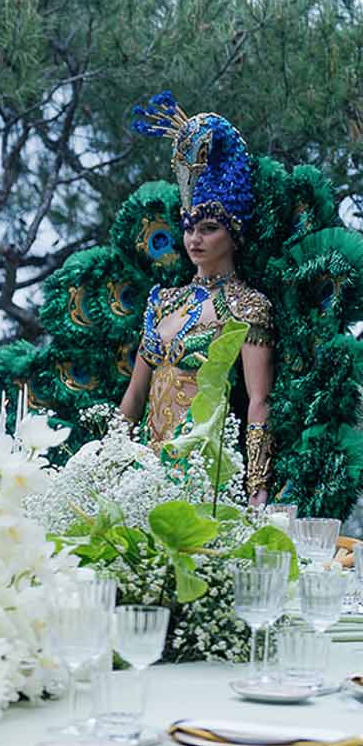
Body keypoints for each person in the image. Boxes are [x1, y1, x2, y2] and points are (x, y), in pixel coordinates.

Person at [117, 93, 276, 503]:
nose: (194, 239)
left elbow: (258, 401)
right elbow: (134, 397)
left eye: (208, 228)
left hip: (205, 479)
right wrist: (109, 462)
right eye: (189, 227)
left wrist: (257, 487)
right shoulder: (162, 302)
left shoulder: (248, 307)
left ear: (233, 235)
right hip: (144, 477)